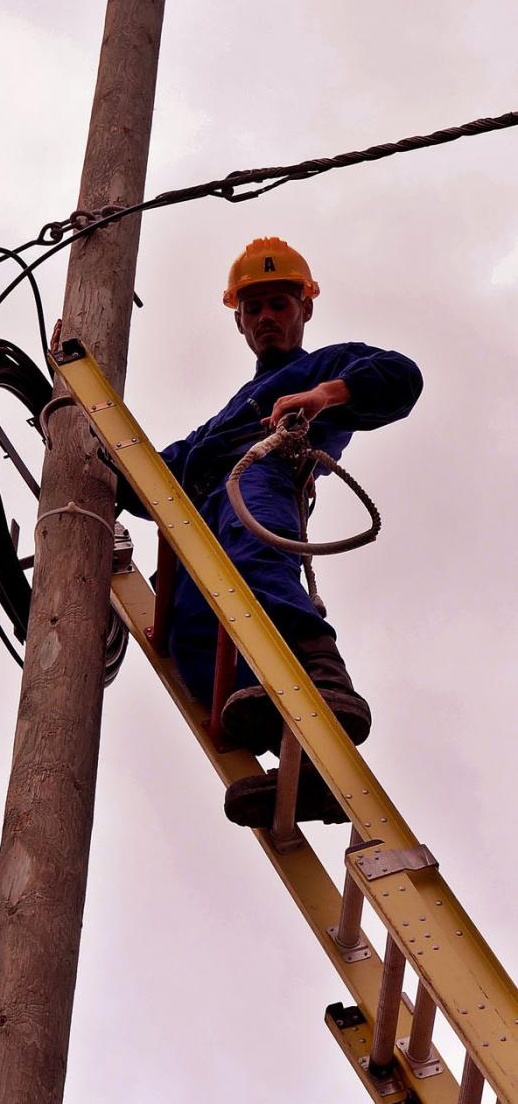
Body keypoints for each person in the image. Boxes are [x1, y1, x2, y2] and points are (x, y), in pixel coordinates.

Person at [120, 237, 423, 826]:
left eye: (279, 304)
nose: (265, 318)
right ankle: (296, 763)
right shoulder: (221, 418)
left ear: (304, 308)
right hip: (203, 502)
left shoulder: (329, 363)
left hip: (264, 471)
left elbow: (400, 376)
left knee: (253, 556)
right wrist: (69, 417)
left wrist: (322, 397)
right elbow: (146, 478)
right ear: (238, 319)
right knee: (187, 622)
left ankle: (321, 682)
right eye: (253, 308)